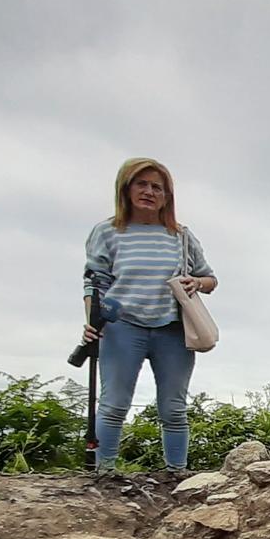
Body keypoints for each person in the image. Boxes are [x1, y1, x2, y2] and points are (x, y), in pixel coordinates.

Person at [81, 159, 217, 471]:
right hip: (121, 326)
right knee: (114, 404)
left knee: (173, 408)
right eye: (141, 184)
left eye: (157, 187)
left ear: (167, 196)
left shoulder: (180, 236)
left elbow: (210, 279)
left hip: (172, 328)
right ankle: (104, 473)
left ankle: (176, 473)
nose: (149, 192)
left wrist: (196, 282)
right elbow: (94, 282)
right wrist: (92, 322)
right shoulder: (107, 232)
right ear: (126, 188)